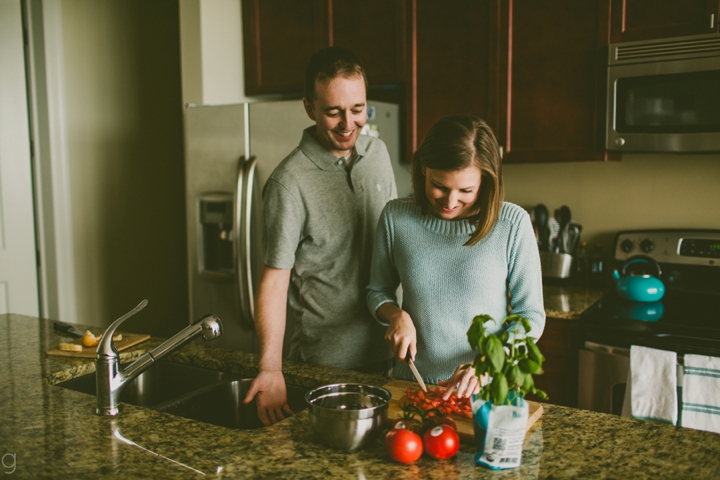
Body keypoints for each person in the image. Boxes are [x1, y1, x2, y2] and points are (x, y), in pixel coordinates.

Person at [243, 47, 397, 426]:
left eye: (357, 109)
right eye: (334, 112)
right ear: (310, 108)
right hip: (324, 367)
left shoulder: (378, 153)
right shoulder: (288, 182)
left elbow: (396, 244)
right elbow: (274, 282)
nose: (348, 124)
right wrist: (270, 368)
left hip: (389, 356)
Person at [366, 115, 545, 400]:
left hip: (485, 390)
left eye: (466, 191)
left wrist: (487, 364)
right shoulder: (395, 217)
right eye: (439, 185)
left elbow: (530, 317)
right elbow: (377, 292)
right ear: (423, 168)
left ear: (485, 181)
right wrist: (395, 315)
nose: (450, 202)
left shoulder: (512, 224)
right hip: (413, 385)